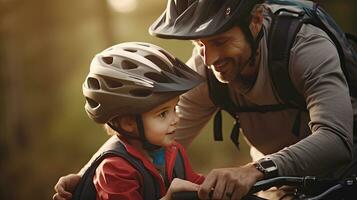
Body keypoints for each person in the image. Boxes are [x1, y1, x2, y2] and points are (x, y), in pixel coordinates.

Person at [54, 0, 357, 199]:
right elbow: (145, 132)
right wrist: (85, 175)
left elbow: (336, 138)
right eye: (200, 44)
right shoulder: (208, 68)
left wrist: (255, 171)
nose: (209, 59)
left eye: (220, 41)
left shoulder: (304, 49)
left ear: (255, 20)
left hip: (345, 175)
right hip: (279, 185)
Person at [53, 41, 206, 200]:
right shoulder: (115, 170)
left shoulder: (174, 150)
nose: (176, 118)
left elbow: (197, 186)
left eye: (175, 108)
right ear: (129, 123)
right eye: (162, 114)